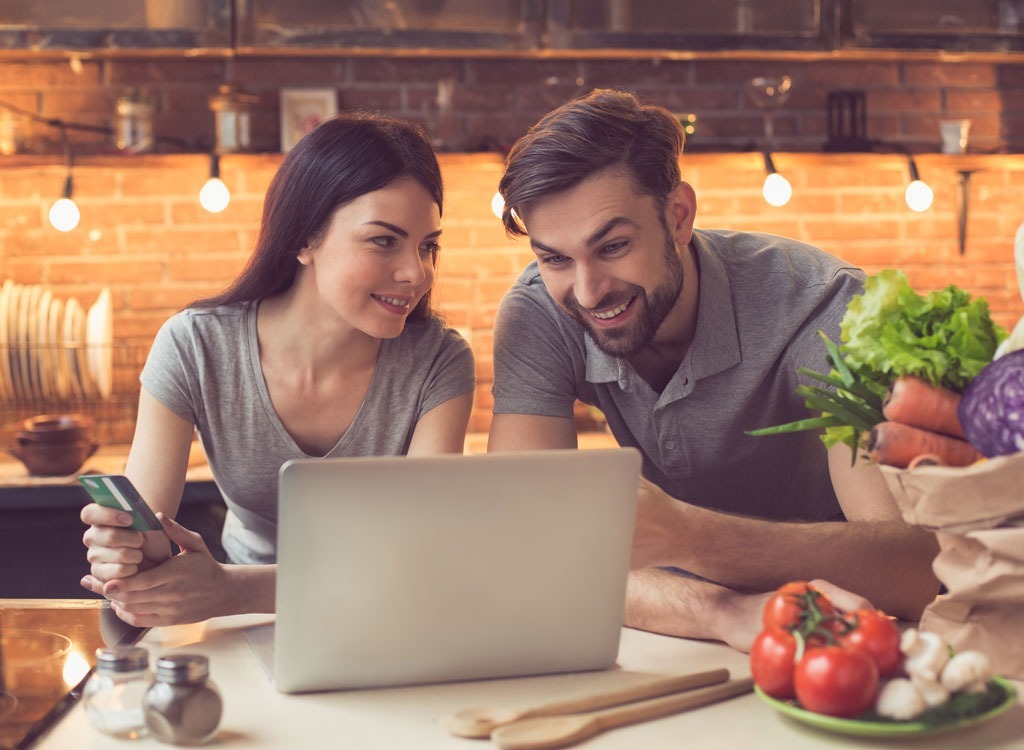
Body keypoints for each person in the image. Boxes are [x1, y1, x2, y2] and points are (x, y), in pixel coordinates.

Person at [488, 89, 940, 651]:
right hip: (682, 629)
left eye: (614, 246)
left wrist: (690, 538)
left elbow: (919, 569)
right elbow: (532, 545)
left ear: (678, 216)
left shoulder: (822, 309)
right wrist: (723, 611)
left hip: (839, 625)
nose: (587, 291)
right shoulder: (538, 313)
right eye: (554, 258)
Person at [80, 113, 476, 627]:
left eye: (428, 246)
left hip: (381, 619)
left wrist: (230, 589)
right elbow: (150, 534)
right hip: (239, 624)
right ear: (305, 238)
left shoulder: (439, 362)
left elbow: (418, 559)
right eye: (384, 240)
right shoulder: (195, 344)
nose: (416, 273)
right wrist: (126, 553)